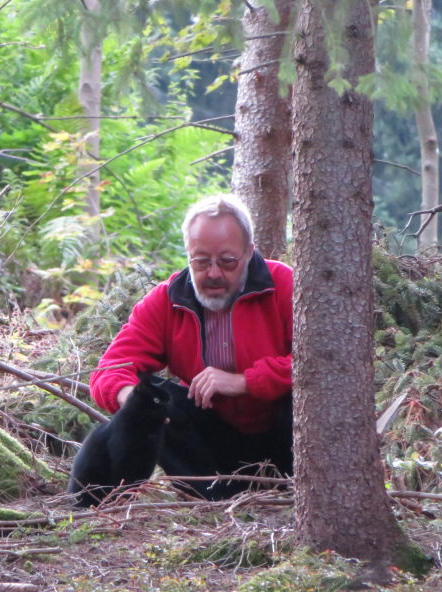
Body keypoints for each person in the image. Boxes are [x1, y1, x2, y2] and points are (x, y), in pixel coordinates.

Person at [89, 193, 293, 499]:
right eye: (201, 261)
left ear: (249, 253)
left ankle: (298, 490)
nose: (213, 273)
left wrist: (245, 382)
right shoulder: (166, 300)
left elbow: (322, 363)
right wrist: (135, 401)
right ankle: (212, 499)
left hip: (285, 440)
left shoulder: (283, 285)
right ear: (187, 254)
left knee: (302, 397)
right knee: (158, 397)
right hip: (211, 448)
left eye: (227, 261)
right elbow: (109, 370)